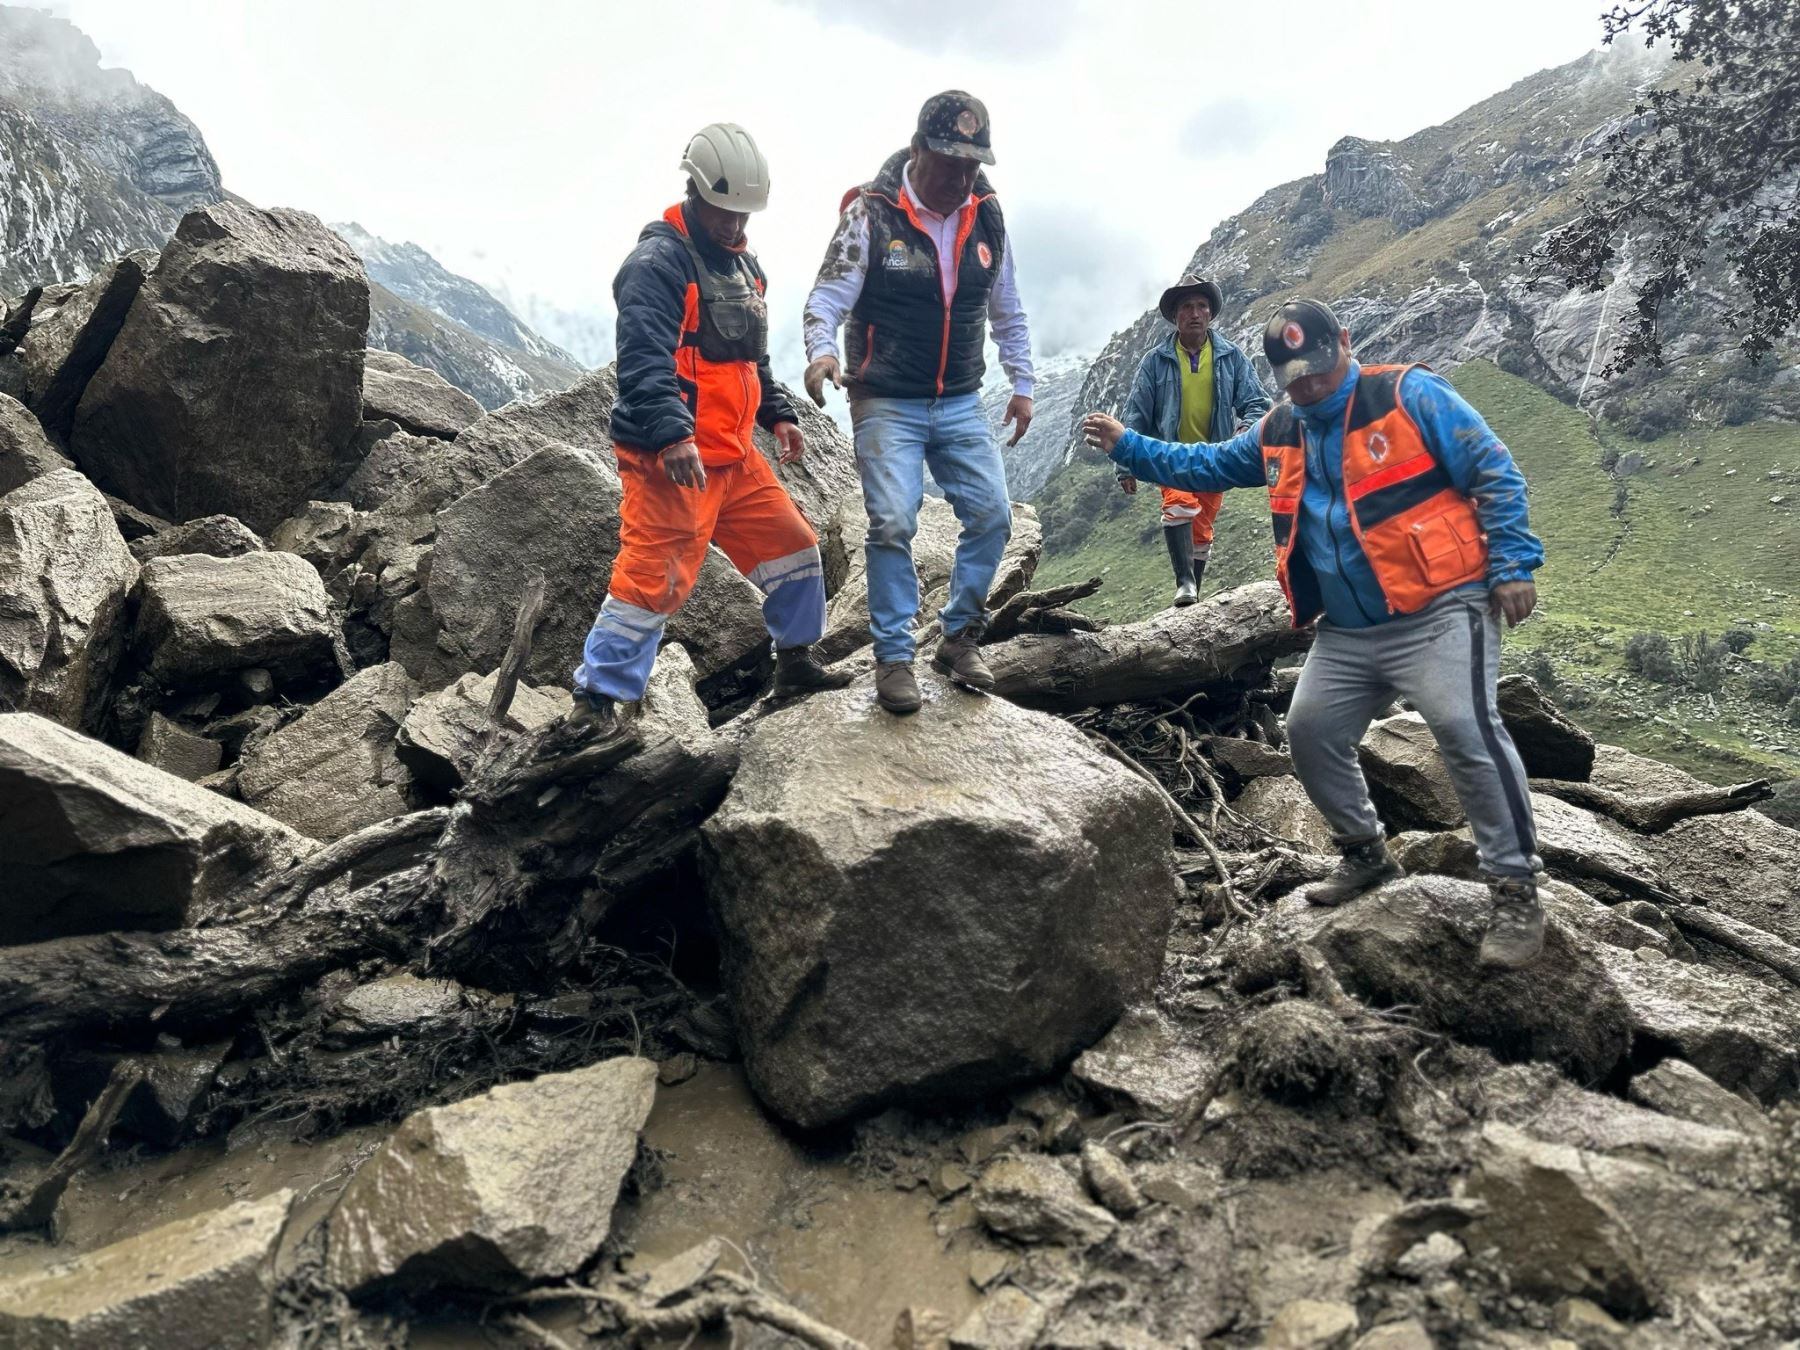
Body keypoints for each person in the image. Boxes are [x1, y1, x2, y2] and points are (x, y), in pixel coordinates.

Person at [1081, 298, 1548, 969]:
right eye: (1293, 377)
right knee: (1309, 731)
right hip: (1349, 629)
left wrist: (1511, 564)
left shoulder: (1410, 395)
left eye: (1318, 370)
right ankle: (1366, 856)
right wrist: (1129, 445)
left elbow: (1494, 471)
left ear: (1345, 344)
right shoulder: (1278, 430)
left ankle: (1514, 889)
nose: (1309, 386)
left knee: (1464, 727)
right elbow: (1205, 466)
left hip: (1442, 608)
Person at [570, 123, 848, 733]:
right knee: (654, 579)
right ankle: (595, 704)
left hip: (733, 453)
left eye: (745, 212)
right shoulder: (656, 264)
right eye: (725, 211)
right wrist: (672, 436)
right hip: (672, 457)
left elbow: (753, 358)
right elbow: (644, 359)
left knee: (795, 550)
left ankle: (797, 664)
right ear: (695, 191)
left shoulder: (747, 267)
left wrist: (778, 414)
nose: (735, 224)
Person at [801, 90, 1034, 715]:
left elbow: (1006, 307)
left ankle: (958, 637)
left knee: (993, 518)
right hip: (886, 398)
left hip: (959, 398)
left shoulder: (986, 213)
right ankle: (894, 657)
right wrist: (822, 352)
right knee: (894, 522)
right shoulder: (871, 213)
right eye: (951, 162)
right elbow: (827, 297)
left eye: (973, 164)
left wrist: (1023, 384)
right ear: (918, 149)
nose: (963, 176)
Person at [1119, 274, 1271, 606]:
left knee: (1201, 529)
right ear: (1175, 315)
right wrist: (1125, 464)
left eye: (1202, 306)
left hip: (1215, 457)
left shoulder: (1230, 356)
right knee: (1179, 504)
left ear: (1211, 313)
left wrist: (1246, 429)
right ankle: (1184, 583)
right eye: (1187, 306)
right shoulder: (1154, 361)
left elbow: (1257, 401)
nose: (1195, 313)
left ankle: (1193, 595)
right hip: (1169, 455)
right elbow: (1137, 414)